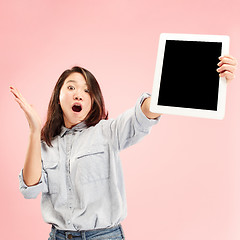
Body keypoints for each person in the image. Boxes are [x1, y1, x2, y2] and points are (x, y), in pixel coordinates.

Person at [10, 55, 237, 240]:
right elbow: (30, 189)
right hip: (58, 236)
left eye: (87, 91)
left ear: (93, 102)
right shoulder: (46, 144)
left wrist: (207, 75)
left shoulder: (107, 132)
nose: (79, 93)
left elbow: (144, 113)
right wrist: (33, 130)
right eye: (71, 87)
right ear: (58, 96)